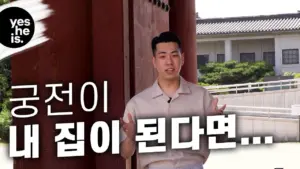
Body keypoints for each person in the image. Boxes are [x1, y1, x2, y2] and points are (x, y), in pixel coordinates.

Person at [120, 31, 226, 169]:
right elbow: (125, 153)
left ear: (182, 58)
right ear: (154, 61)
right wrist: (131, 137)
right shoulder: (137, 104)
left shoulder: (202, 97)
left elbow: (220, 140)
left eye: (174, 55)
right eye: (162, 56)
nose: (169, 62)